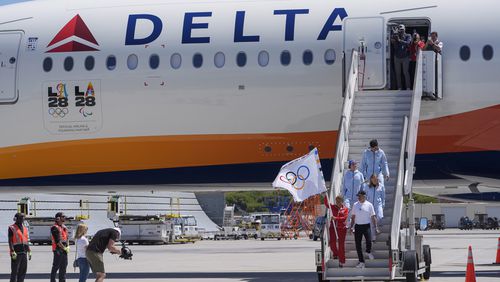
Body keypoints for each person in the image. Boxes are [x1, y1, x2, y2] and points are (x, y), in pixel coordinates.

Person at [349, 191, 380, 269]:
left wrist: (376, 227)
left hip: (366, 226)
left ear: (364, 196)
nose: (358, 197)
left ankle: (368, 251)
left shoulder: (369, 205)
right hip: (358, 226)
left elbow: (373, 217)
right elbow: (353, 217)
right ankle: (361, 262)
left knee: (369, 240)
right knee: (358, 245)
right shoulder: (355, 205)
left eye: (360, 196)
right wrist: (351, 227)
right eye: (358, 196)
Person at [324, 195, 349, 267]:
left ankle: (341, 261)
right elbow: (326, 203)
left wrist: (336, 218)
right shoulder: (332, 207)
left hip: (342, 229)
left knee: (341, 245)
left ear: (342, 202)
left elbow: (344, 218)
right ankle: (335, 254)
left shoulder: (345, 209)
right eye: (336, 201)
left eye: (339, 201)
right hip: (333, 228)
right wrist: (326, 195)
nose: (337, 202)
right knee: (332, 243)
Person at [8, 213, 31, 282]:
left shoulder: (24, 228)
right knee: (15, 272)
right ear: (16, 219)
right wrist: (12, 251)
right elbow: (10, 241)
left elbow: (26, 241)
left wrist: (29, 251)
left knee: (23, 271)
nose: (22, 219)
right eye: (21, 218)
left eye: (23, 218)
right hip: (16, 253)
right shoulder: (12, 228)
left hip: (24, 252)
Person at [364, 174, 385, 240]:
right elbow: (365, 196)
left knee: (380, 216)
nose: (375, 180)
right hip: (370, 205)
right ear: (371, 180)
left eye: (376, 179)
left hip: (378, 204)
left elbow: (383, 196)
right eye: (373, 179)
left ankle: (376, 227)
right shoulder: (367, 186)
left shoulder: (381, 186)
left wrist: (383, 205)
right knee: (371, 221)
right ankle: (373, 237)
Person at [391, 24, 412, 90]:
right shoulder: (396, 36)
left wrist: (400, 40)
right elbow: (393, 45)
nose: (401, 31)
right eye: (400, 30)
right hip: (397, 57)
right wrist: (395, 37)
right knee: (398, 73)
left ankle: (408, 87)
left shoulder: (408, 35)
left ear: (405, 29)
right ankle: (399, 87)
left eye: (402, 30)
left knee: (405, 72)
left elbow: (408, 43)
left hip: (405, 57)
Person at [51, 212, 69, 282]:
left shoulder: (64, 227)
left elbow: (67, 238)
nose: (65, 217)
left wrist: (67, 246)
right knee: (56, 267)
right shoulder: (54, 228)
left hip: (64, 250)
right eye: (63, 216)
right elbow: (57, 241)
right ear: (58, 218)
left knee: (64, 267)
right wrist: (64, 248)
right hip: (57, 250)